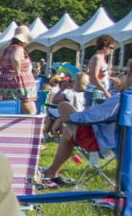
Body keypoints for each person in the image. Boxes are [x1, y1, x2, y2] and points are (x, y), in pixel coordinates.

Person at [41, 59, 132, 187]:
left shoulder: (123, 98)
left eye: (127, 73)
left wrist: (69, 117)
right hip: (125, 147)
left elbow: (91, 117)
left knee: (64, 107)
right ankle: (52, 172)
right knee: (69, 128)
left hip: (106, 144)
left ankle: (51, 172)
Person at [0, 25, 38, 114]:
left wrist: (7, 69)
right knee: (31, 112)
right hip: (21, 84)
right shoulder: (19, 48)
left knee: (9, 111)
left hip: (6, 82)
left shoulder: (6, 48)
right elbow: (15, 58)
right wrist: (17, 72)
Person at [85, 35, 116, 106]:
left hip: (99, 92)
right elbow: (93, 78)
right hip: (94, 93)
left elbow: (99, 76)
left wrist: (110, 78)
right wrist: (105, 92)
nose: (112, 50)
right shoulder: (97, 58)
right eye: (111, 47)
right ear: (104, 46)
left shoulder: (101, 58)